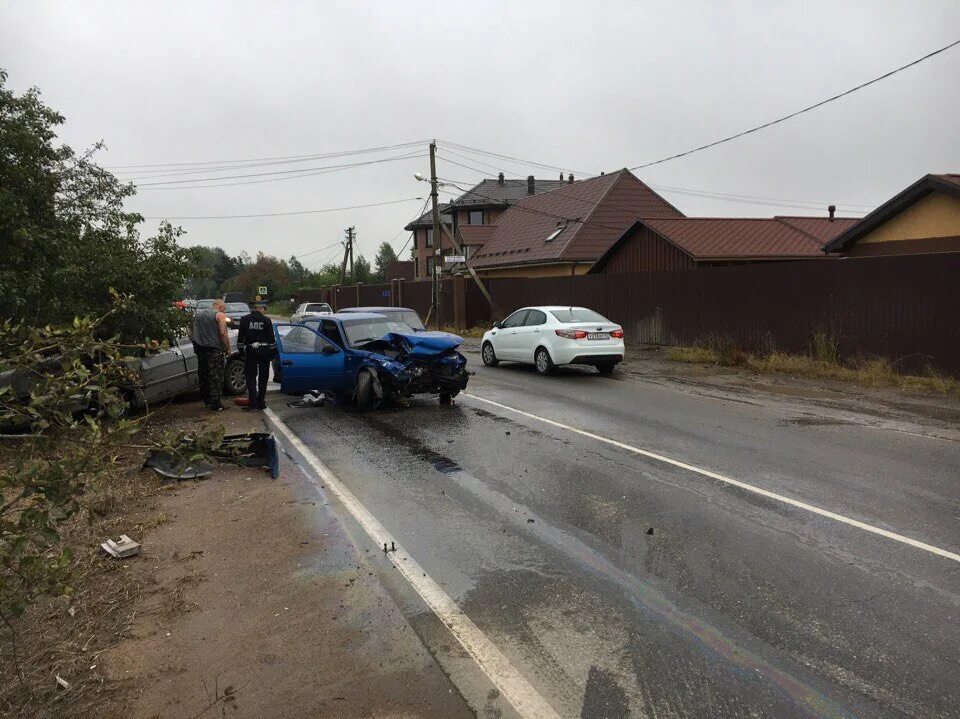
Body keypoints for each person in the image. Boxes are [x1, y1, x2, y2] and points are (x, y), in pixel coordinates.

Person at [189, 298, 231, 411]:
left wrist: (195, 341)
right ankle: (216, 404)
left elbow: (190, 330)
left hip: (201, 350)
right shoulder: (219, 315)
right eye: (224, 309)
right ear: (221, 307)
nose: (224, 312)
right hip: (214, 350)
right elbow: (222, 333)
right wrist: (227, 348)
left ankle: (206, 400)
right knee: (216, 376)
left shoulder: (198, 315)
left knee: (204, 375)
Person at [237, 300, 275, 410]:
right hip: (264, 351)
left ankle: (252, 403)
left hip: (251, 350)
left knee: (250, 376)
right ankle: (261, 402)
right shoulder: (266, 320)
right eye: (264, 309)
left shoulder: (244, 319)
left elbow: (240, 338)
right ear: (260, 308)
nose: (264, 311)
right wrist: (272, 355)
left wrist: (241, 351)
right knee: (263, 377)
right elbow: (271, 339)